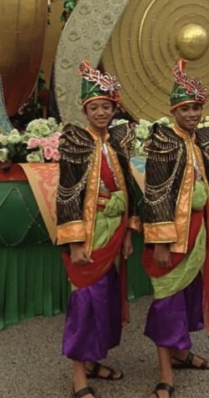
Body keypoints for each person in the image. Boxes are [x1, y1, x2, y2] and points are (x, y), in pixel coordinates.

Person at [140, 59, 209, 398]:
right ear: (174, 110)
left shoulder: (200, 140)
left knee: (188, 296)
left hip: (197, 231)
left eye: (197, 107)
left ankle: (179, 353)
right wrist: (160, 242)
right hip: (172, 235)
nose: (192, 114)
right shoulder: (163, 141)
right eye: (186, 108)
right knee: (167, 300)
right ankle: (164, 374)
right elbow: (155, 193)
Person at [56, 60, 140, 398]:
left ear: (114, 108)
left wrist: (129, 232)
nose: (102, 112)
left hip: (114, 235)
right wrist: (74, 242)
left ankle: (91, 362)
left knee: (104, 302)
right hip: (87, 236)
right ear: (85, 110)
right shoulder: (76, 143)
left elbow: (130, 191)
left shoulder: (117, 144)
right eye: (95, 107)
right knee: (85, 304)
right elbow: (66, 194)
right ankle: (79, 377)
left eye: (107, 106)